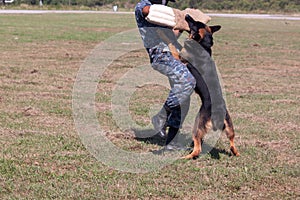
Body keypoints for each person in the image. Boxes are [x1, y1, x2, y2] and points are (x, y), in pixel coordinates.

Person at [135, 0, 196, 150]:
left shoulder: (164, 14)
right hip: (161, 56)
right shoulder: (143, 6)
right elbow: (147, 11)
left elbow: (171, 36)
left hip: (173, 54)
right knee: (188, 81)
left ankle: (172, 142)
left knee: (183, 98)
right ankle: (161, 116)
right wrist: (175, 14)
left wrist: (181, 25)